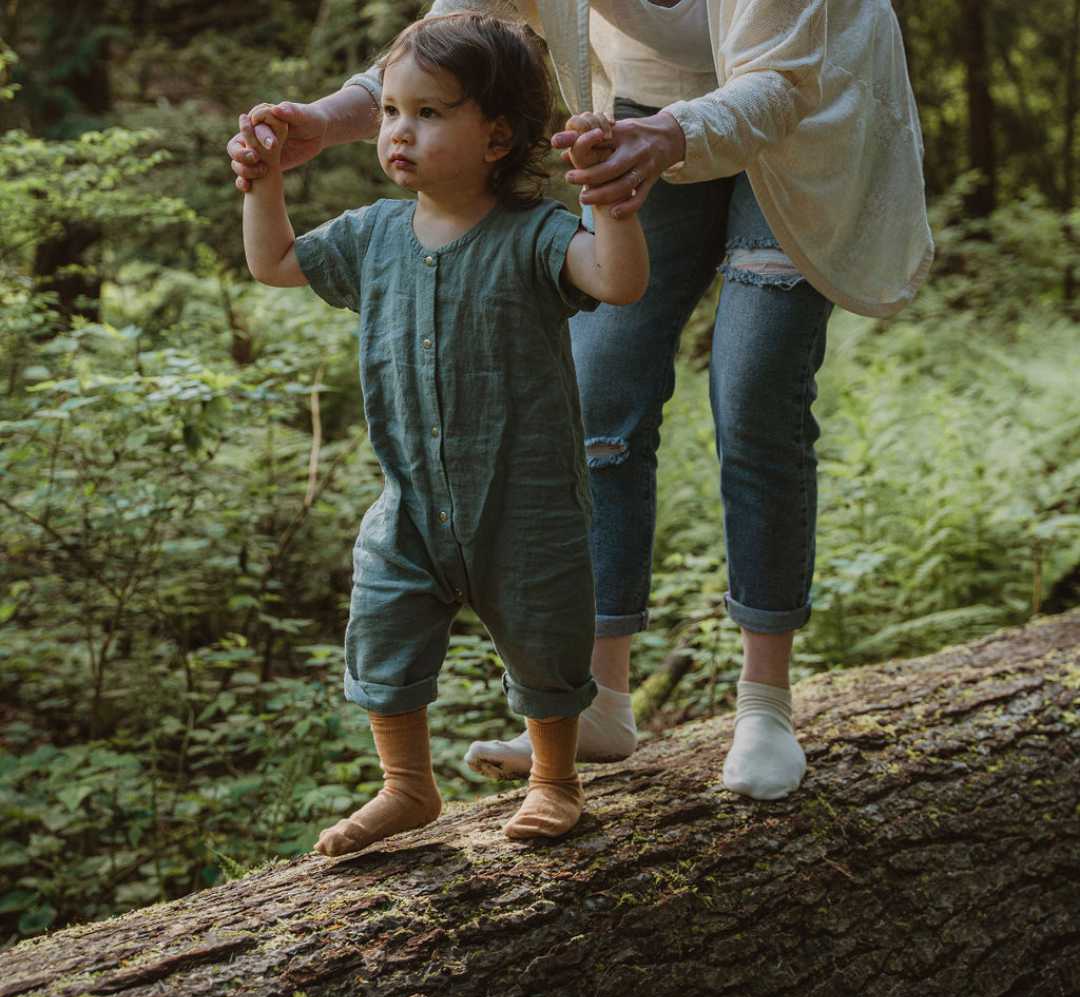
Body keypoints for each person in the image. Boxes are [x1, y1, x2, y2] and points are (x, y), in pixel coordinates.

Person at [230, 1, 933, 804]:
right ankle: (602, 702)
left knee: (755, 394)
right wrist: (320, 120)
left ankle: (764, 704)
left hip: (799, 112)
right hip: (645, 106)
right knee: (602, 398)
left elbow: (775, 82)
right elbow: (455, 26)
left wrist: (669, 138)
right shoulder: (384, 231)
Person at [241, 11, 648, 856]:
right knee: (383, 626)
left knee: (546, 635)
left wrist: (609, 200)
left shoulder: (533, 235)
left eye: (429, 113)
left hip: (525, 498)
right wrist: (265, 182)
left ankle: (556, 781)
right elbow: (275, 262)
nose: (398, 132)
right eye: (391, 112)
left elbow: (618, 282)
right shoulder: (373, 235)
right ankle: (406, 786)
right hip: (411, 502)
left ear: (497, 136)